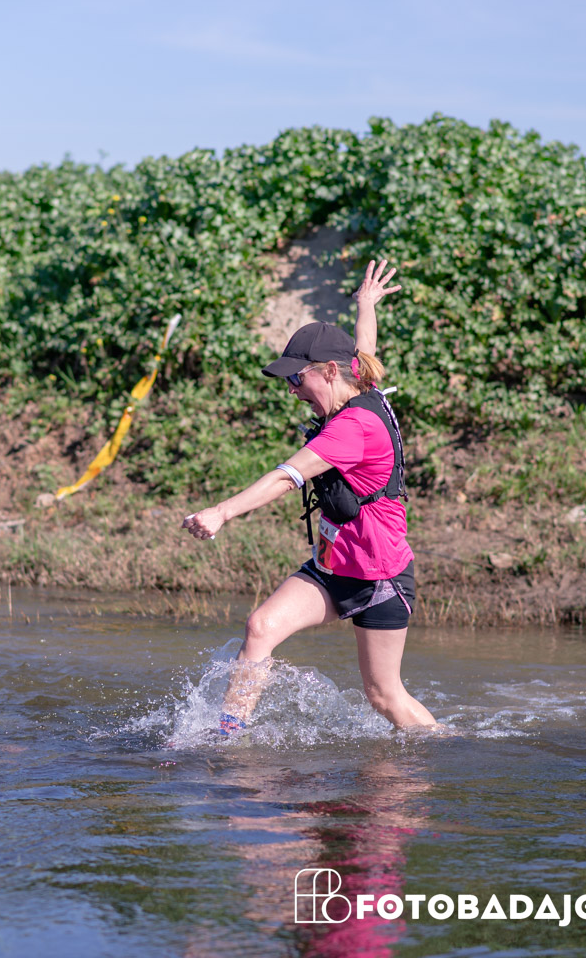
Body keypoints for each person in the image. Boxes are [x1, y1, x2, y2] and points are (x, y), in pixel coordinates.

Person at [182, 260, 438, 735]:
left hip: (379, 575)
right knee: (261, 627)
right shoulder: (357, 382)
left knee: (384, 696)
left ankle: (444, 748)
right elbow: (364, 348)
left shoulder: (354, 426)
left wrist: (221, 511)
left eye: (297, 379)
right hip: (333, 564)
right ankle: (227, 738)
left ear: (330, 371)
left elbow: (287, 477)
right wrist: (366, 305)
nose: (292, 391)